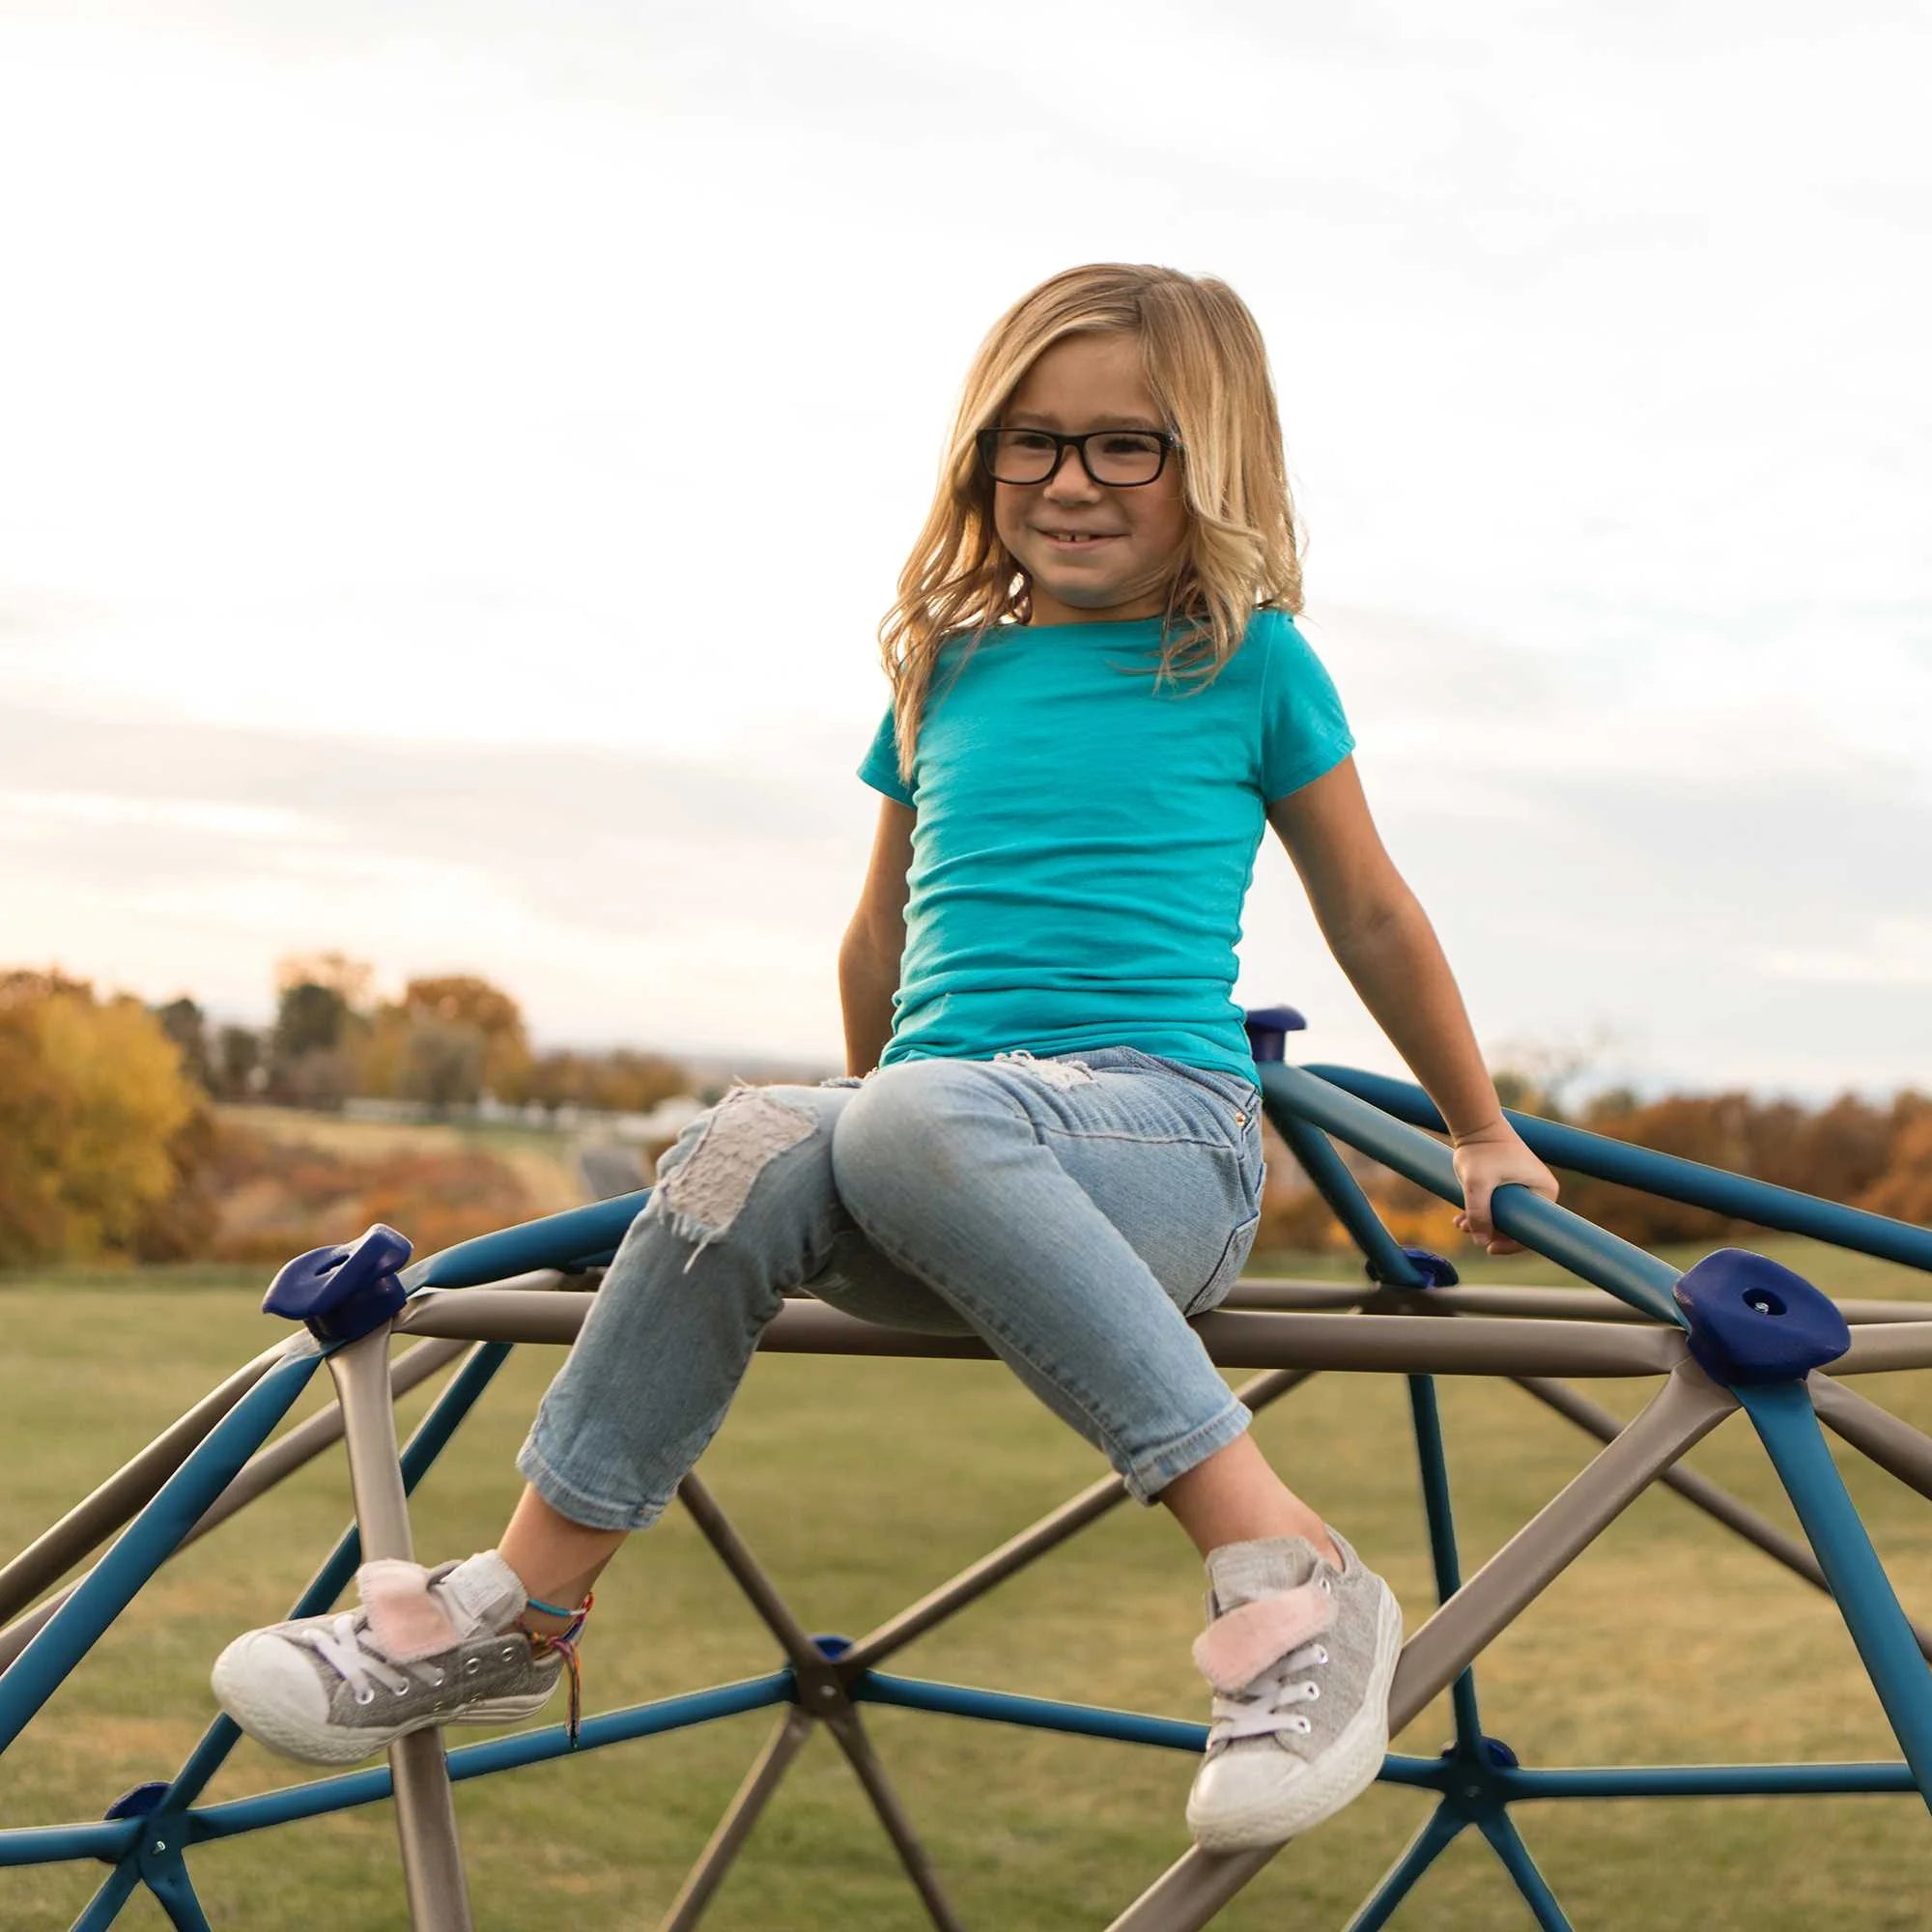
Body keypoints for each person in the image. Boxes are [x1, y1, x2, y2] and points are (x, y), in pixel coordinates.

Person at [212, 262, 1560, 1853]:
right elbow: (880, 932)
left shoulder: (1252, 664)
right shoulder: (946, 670)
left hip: (1159, 1148)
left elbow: (1373, 911)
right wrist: (858, 1137)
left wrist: (1479, 1129)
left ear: (1213, 463)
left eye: (1126, 445)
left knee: (907, 1115)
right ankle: (521, 1610)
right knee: (746, 1136)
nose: (1069, 482)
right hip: (949, 1159)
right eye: (1029, 441)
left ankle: (1294, 1571)